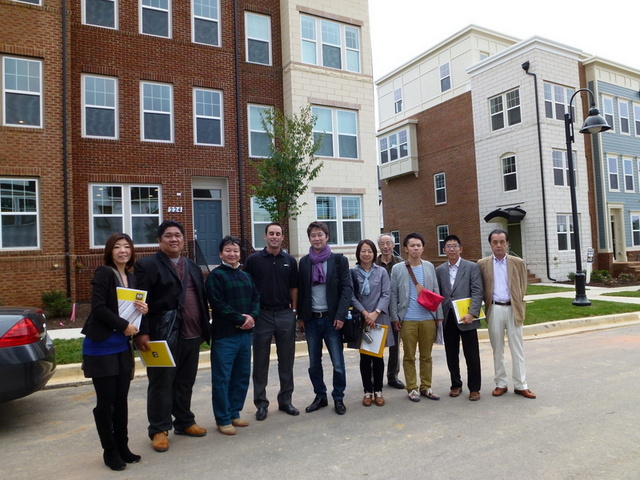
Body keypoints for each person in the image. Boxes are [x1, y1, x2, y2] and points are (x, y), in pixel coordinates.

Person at [134, 220, 211, 452]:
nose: (174, 239)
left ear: (183, 239)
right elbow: (140, 301)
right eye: (168, 235)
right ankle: (159, 429)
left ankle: (184, 421)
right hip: (161, 335)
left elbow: (200, 298)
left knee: (185, 381)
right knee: (161, 382)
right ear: (159, 240)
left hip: (192, 333)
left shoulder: (193, 266)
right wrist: (143, 332)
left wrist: (204, 327)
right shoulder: (147, 265)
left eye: (178, 235)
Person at [82, 233, 148, 471]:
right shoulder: (104, 273)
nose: (123, 251)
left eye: (126, 246)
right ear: (110, 251)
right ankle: (109, 452)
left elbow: (128, 310)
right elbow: (99, 308)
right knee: (106, 402)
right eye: (117, 247)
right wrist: (123, 326)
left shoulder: (131, 276)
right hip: (101, 346)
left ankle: (123, 446)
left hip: (122, 346)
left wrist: (142, 309)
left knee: (121, 401)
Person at [243, 222, 299, 421]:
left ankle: (286, 400)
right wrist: (251, 313)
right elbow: (247, 287)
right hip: (262, 315)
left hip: (285, 314)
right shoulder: (253, 260)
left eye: (278, 234)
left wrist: (294, 311)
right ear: (265, 236)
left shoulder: (290, 261)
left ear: (282, 237)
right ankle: (261, 404)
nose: (274, 236)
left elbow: (294, 287)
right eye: (271, 233)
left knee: (287, 361)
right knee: (260, 362)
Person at [206, 235, 260, 435]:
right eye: (228, 250)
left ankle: (234, 412)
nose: (232, 254)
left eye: (235, 250)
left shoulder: (245, 276)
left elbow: (256, 298)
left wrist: (252, 316)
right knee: (222, 379)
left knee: (241, 376)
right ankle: (222, 418)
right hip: (225, 337)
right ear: (221, 254)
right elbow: (217, 304)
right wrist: (240, 318)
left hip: (245, 336)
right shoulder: (216, 276)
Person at [297, 221, 352, 415]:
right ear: (309, 238)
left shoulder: (338, 261)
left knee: (337, 363)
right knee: (314, 363)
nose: (317, 238)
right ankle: (320, 396)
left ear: (327, 237)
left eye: (320, 234)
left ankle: (338, 397)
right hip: (311, 320)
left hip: (332, 320)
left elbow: (347, 289)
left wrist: (341, 315)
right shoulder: (304, 262)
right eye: (313, 235)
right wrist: (301, 317)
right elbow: (302, 291)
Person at [477, 229, 536, 399]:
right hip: (494, 308)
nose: (499, 245)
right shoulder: (482, 264)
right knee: (497, 349)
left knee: (517, 348)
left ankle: (521, 384)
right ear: (490, 244)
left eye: (502, 242)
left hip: (513, 308)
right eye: (495, 242)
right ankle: (500, 383)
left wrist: (517, 301)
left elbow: (523, 285)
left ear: (507, 243)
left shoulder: (518, 263)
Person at [389, 232, 443, 402]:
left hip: (428, 318)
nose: (416, 248)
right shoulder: (398, 269)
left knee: (427, 356)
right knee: (409, 356)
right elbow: (393, 294)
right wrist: (395, 317)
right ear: (406, 249)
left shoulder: (429, 266)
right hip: (407, 319)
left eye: (418, 245)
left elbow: (435, 291)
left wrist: (439, 316)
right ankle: (412, 388)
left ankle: (426, 386)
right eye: (412, 245)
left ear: (423, 248)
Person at [435, 235, 483, 401]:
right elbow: (438, 294)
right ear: (444, 250)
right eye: (448, 246)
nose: (452, 249)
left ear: (461, 249)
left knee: (472, 355)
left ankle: (474, 388)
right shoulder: (440, 270)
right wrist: (439, 316)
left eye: (455, 246)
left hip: (467, 317)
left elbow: (477, 291)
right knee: (451, 354)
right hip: (448, 317)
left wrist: (472, 313)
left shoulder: (472, 267)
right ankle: (455, 384)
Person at [349, 239, 394, 407]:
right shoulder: (353, 273)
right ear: (358, 253)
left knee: (377, 356)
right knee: (365, 357)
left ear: (374, 253)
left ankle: (378, 391)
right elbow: (351, 296)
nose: (366, 254)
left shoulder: (381, 272)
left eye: (369, 251)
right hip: (362, 320)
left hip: (378, 319)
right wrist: (365, 313)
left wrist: (375, 313)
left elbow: (386, 294)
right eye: (363, 251)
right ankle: (367, 391)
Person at [375, 233, 405, 390]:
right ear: (379, 246)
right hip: (377, 310)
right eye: (382, 244)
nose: (385, 246)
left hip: (395, 310)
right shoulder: (373, 262)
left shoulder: (401, 263)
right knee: (376, 344)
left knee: (394, 345)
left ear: (393, 245)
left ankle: (393, 376)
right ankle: (375, 376)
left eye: (388, 243)